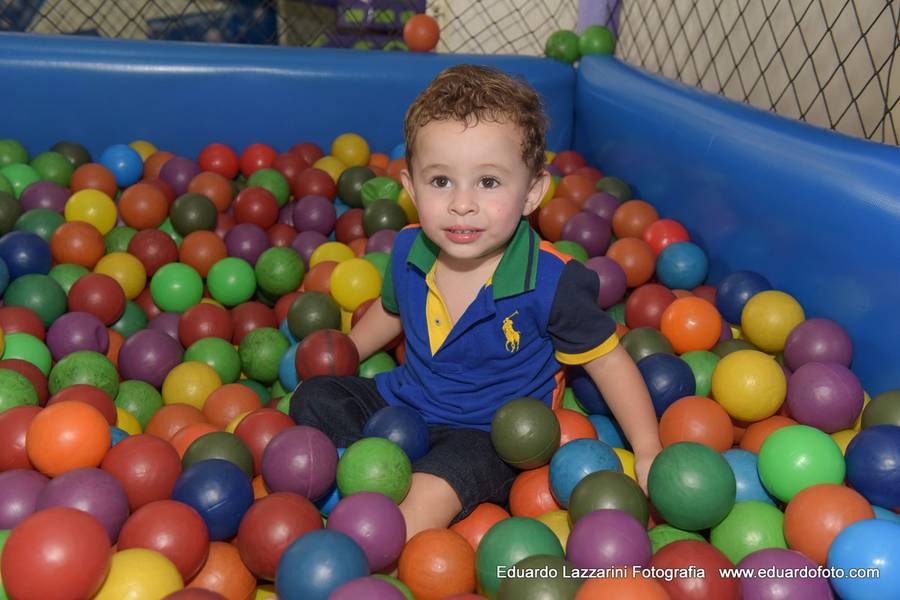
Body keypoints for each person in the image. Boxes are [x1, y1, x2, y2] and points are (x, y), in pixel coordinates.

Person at [291, 64, 661, 541]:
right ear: (410, 189)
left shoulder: (551, 282)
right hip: (405, 402)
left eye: (488, 182)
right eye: (441, 181)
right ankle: (354, 477)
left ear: (532, 193)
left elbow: (609, 363)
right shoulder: (408, 250)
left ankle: (362, 532)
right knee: (312, 396)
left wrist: (648, 448)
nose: (461, 204)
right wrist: (345, 356)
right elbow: (391, 312)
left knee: (425, 501)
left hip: (487, 434)